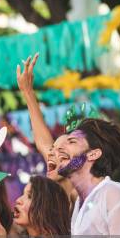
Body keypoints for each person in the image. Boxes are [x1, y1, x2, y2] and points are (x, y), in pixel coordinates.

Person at [16, 53, 77, 204]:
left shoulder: (86, 198)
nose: (50, 153)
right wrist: (27, 92)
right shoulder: (56, 201)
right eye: (52, 148)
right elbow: (43, 143)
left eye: (60, 151)